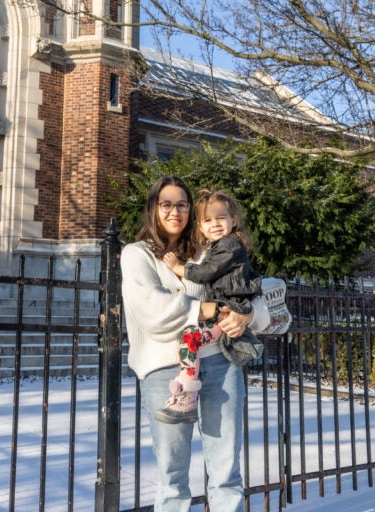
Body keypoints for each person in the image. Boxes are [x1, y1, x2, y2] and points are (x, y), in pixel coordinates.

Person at [121, 176, 257, 511]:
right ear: (154, 208)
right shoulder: (136, 255)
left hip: (221, 364)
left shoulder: (207, 252)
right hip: (165, 371)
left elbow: (248, 286)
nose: (174, 211)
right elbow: (152, 311)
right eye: (166, 204)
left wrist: (247, 315)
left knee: (226, 471)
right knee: (172, 475)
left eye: (182, 204)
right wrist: (205, 309)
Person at [154, 189, 263, 424]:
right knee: (189, 336)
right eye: (207, 220)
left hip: (226, 309)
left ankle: (188, 395)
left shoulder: (229, 246)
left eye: (221, 218)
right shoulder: (220, 247)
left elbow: (206, 272)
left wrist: (178, 267)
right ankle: (187, 389)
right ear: (201, 227)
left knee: (189, 337)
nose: (214, 224)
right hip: (225, 308)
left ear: (233, 221)